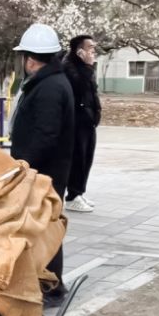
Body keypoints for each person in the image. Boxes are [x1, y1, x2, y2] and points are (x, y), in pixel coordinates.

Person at [8, 24, 76, 306]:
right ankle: (45, 281)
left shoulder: (49, 87)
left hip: (45, 172)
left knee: (46, 230)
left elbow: (46, 134)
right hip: (44, 170)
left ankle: (52, 287)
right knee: (41, 228)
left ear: (31, 60)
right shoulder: (48, 82)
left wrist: (24, 164)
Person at [64, 35, 101, 213]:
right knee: (78, 159)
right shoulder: (68, 66)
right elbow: (79, 87)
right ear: (79, 51)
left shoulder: (84, 67)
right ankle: (72, 197)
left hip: (88, 121)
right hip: (76, 121)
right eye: (89, 47)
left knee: (87, 158)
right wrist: (88, 66)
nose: (93, 50)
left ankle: (79, 192)